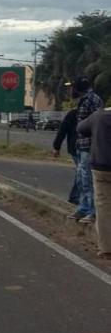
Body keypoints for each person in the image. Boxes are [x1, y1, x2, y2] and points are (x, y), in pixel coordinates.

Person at [77, 106, 111, 259]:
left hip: (101, 166)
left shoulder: (98, 115)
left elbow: (81, 128)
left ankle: (106, 248)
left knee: (103, 207)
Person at [69, 76, 104, 224]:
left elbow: (99, 123)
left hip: (89, 145)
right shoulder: (85, 99)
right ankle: (83, 208)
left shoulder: (93, 99)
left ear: (79, 88)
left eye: (73, 87)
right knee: (81, 178)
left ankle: (92, 211)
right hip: (81, 145)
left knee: (88, 178)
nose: (71, 90)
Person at [53, 109, 79, 205]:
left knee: (83, 171)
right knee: (82, 171)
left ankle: (77, 196)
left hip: (76, 147)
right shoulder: (73, 114)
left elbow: (62, 130)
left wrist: (56, 146)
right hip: (77, 147)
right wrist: (56, 146)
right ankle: (75, 196)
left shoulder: (72, 114)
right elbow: (62, 130)